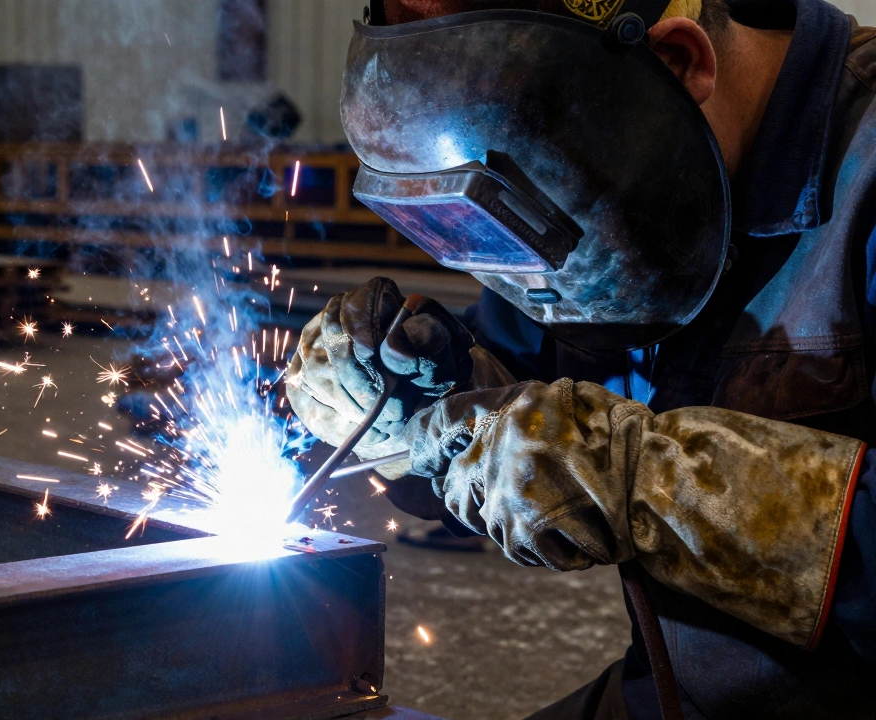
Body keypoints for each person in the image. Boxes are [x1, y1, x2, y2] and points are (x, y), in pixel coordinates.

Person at [285, 0, 876, 717]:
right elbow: (518, 386)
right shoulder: (606, 163)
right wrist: (412, 407)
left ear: (678, 64)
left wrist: (653, 486)